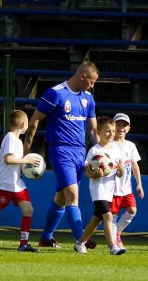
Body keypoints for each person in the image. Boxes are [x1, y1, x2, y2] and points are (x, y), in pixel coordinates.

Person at [24, 62, 99, 248]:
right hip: (60, 150)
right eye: (91, 82)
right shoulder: (55, 93)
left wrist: (104, 152)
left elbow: (93, 131)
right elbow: (34, 121)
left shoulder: (88, 98)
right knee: (73, 195)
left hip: (80, 152)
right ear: (83, 76)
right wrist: (26, 151)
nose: (92, 86)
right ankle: (82, 240)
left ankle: (45, 238)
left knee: (62, 198)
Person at [0, 110, 40, 252]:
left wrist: (31, 169)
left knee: (28, 209)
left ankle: (23, 244)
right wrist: (25, 160)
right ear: (23, 124)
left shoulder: (18, 142)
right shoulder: (9, 137)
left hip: (17, 184)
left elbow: (18, 163)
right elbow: (8, 160)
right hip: (4, 184)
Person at [74, 116, 127, 256]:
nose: (111, 134)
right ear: (98, 132)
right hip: (98, 191)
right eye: (107, 131)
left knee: (96, 220)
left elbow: (119, 173)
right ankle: (112, 247)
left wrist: (121, 171)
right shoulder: (94, 151)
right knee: (108, 217)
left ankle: (80, 242)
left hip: (109, 191)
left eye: (113, 131)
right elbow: (87, 172)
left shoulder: (115, 150)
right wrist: (95, 175)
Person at [109, 113, 143, 247]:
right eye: (118, 125)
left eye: (124, 125)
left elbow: (134, 164)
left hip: (126, 187)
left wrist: (139, 184)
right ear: (113, 126)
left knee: (132, 210)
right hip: (113, 187)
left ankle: (117, 232)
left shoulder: (130, 146)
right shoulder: (109, 145)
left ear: (129, 128)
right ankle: (114, 241)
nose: (121, 128)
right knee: (114, 214)